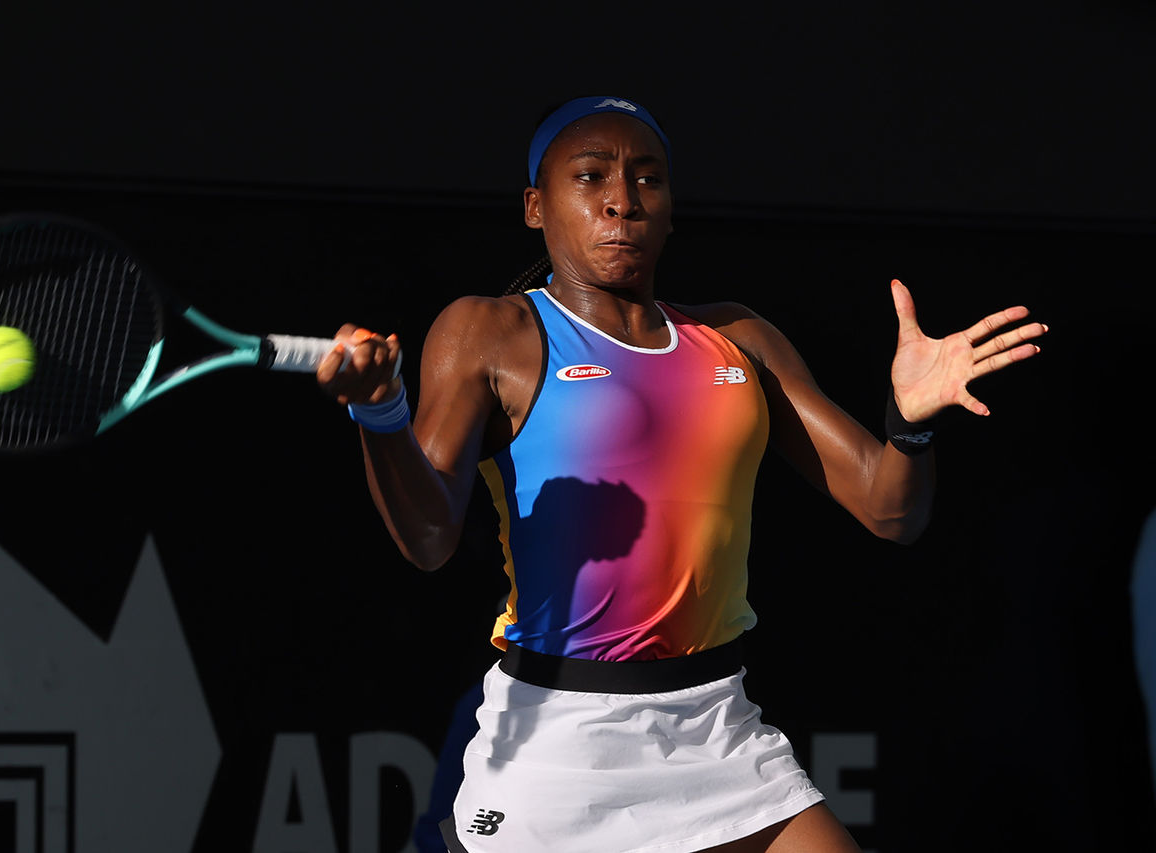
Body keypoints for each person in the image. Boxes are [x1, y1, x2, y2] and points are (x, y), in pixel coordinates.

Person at [316, 96, 1048, 852]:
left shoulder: (738, 337)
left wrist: (910, 421)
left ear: (671, 209)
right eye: (591, 176)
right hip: (558, 745)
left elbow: (892, 511)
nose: (621, 201)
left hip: (717, 729)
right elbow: (429, 536)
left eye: (648, 181)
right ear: (536, 207)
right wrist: (380, 416)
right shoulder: (491, 330)